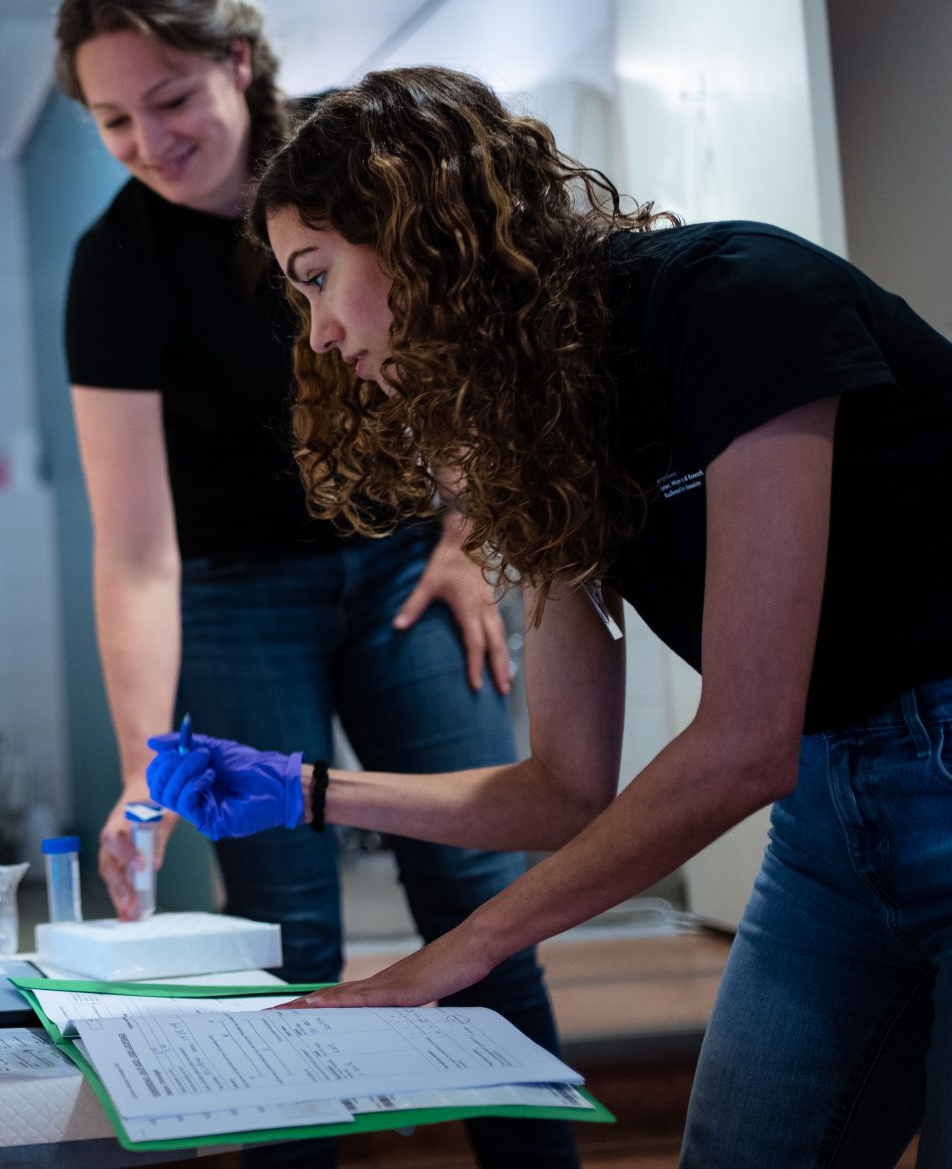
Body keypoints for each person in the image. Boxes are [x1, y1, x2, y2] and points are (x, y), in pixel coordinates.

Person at [149, 64, 952, 1167]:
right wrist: (308, 789)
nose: (321, 334)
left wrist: (447, 958)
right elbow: (565, 786)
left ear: (419, 228)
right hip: (830, 826)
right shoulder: (542, 425)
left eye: (319, 275)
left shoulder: (738, 300)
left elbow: (743, 743)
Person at [55, 0, 579, 1168]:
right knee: (284, 930)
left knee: (485, 903)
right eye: (114, 118)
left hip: (400, 568)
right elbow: (136, 548)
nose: (149, 139)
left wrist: (463, 540)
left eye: (173, 97)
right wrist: (146, 772)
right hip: (235, 594)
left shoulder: (347, 169)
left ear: (238, 60)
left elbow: (463, 352)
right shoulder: (117, 266)